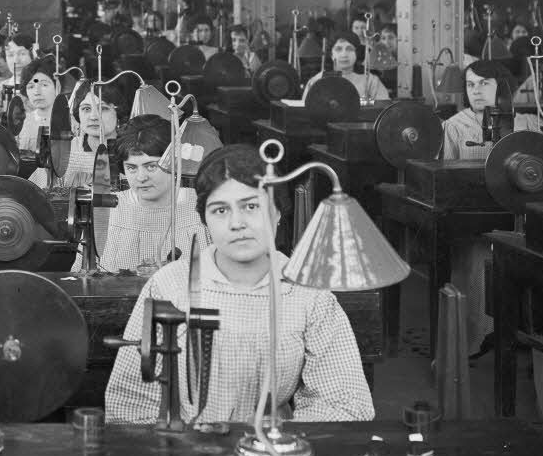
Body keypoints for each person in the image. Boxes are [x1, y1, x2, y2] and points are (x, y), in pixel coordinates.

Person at [105, 144, 374, 424]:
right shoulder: (169, 285)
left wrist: (274, 440)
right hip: (185, 444)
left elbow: (345, 403)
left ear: (277, 213)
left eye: (251, 206)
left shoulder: (308, 292)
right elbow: (130, 404)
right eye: (220, 210)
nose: (237, 223)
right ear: (205, 221)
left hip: (273, 445)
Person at [441, 60, 543, 365]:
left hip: (520, 219)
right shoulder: (455, 126)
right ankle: (476, 338)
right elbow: (447, 178)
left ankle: (528, 336)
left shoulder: (527, 123)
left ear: (501, 87)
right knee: (477, 261)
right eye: (470, 84)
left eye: (484, 83)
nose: (476, 90)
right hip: (475, 221)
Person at [74, 115, 204, 274]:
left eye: (151, 166)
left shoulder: (201, 207)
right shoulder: (108, 209)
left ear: (175, 162)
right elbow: (80, 275)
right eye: (131, 168)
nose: (141, 177)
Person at [29, 79, 123, 191]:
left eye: (103, 108)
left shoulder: (129, 149)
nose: (93, 116)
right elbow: (33, 193)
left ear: (119, 112)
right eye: (86, 109)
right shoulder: (63, 148)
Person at [301, 32, 389, 102]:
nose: (344, 54)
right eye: (338, 49)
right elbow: (306, 109)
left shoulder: (370, 81)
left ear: (357, 53)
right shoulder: (318, 80)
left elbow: (384, 108)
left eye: (349, 49)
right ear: (331, 54)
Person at [15, 57, 58, 151]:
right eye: (31, 87)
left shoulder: (71, 122)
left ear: (58, 86)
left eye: (44, 85)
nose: (37, 92)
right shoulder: (22, 122)